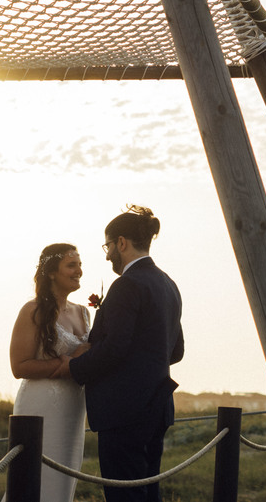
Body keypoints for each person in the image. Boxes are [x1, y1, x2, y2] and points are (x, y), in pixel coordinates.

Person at [58, 205, 184, 502]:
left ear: (122, 243)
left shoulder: (127, 284)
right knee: (148, 493)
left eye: (108, 246)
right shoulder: (168, 284)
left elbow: (115, 348)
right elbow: (176, 351)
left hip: (124, 412)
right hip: (157, 407)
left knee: (125, 496)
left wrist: (72, 367)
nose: (107, 255)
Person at [9, 243, 91, 502]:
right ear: (52, 272)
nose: (79, 271)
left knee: (63, 484)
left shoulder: (83, 312)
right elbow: (19, 366)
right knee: (34, 483)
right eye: (71, 265)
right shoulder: (32, 310)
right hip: (41, 407)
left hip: (74, 409)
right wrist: (68, 363)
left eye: (80, 265)